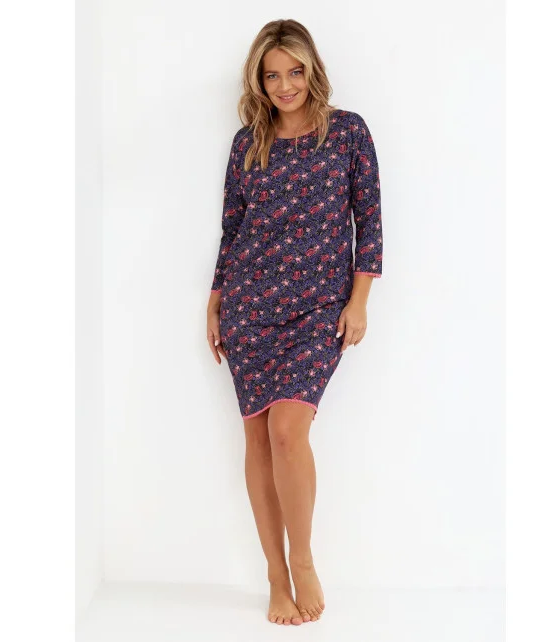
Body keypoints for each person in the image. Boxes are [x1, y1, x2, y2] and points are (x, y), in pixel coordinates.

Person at [206, 19, 383, 626]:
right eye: (272, 75)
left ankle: (302, 559)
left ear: (313, 70)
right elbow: (232, 228)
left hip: (318, 306)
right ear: (258, 81)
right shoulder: (247, 143)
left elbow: (369, 219)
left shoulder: (348, 132)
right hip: (249, 304)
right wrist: (215, 300)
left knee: (288, 430)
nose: (284, 85)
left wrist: (359, 300)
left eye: (295, 72)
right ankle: (275, 576)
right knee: (258, 438)